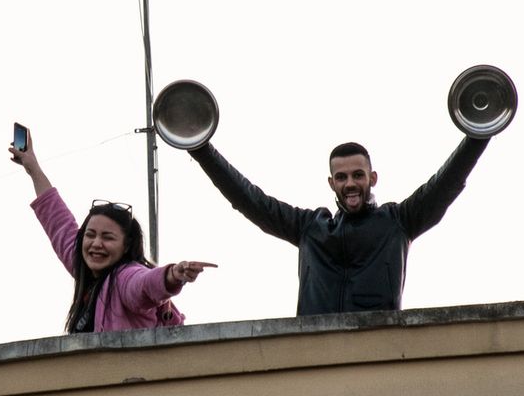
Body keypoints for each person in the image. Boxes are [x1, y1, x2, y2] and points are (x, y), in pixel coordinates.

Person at [188, 135, 488, 315]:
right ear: (332, 183)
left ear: (372, 178)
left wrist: (478, 135)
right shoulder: (309, 227)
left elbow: (444, 184)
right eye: (341, 177)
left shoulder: (398, 221)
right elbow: (250, 200)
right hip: (315, 356)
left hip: (378, 353)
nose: (350, 183)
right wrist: (201, 148)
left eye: (358, 175)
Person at [11, 134, 209, 332]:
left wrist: (172, 275)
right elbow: (57, 220)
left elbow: (143, 284)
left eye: (108, 237)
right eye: (90, 235)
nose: (96, 243)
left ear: (126, 245)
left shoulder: (125, 277)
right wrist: (33, 168)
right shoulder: (82, 266)